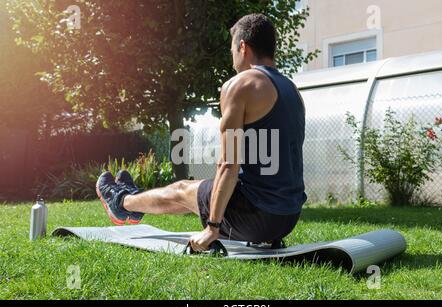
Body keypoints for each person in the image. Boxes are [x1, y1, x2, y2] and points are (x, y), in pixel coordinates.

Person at [96, 13, 307, 252]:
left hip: (255, 217)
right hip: (287, 218)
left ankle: (121, 202)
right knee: (199, 191)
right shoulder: (292, 90)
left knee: (182, 190)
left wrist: (212, 226)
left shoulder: (240, 85)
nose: (233, 59)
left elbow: (229, 164)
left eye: (232, 52)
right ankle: (132, 199)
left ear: (242, 47)